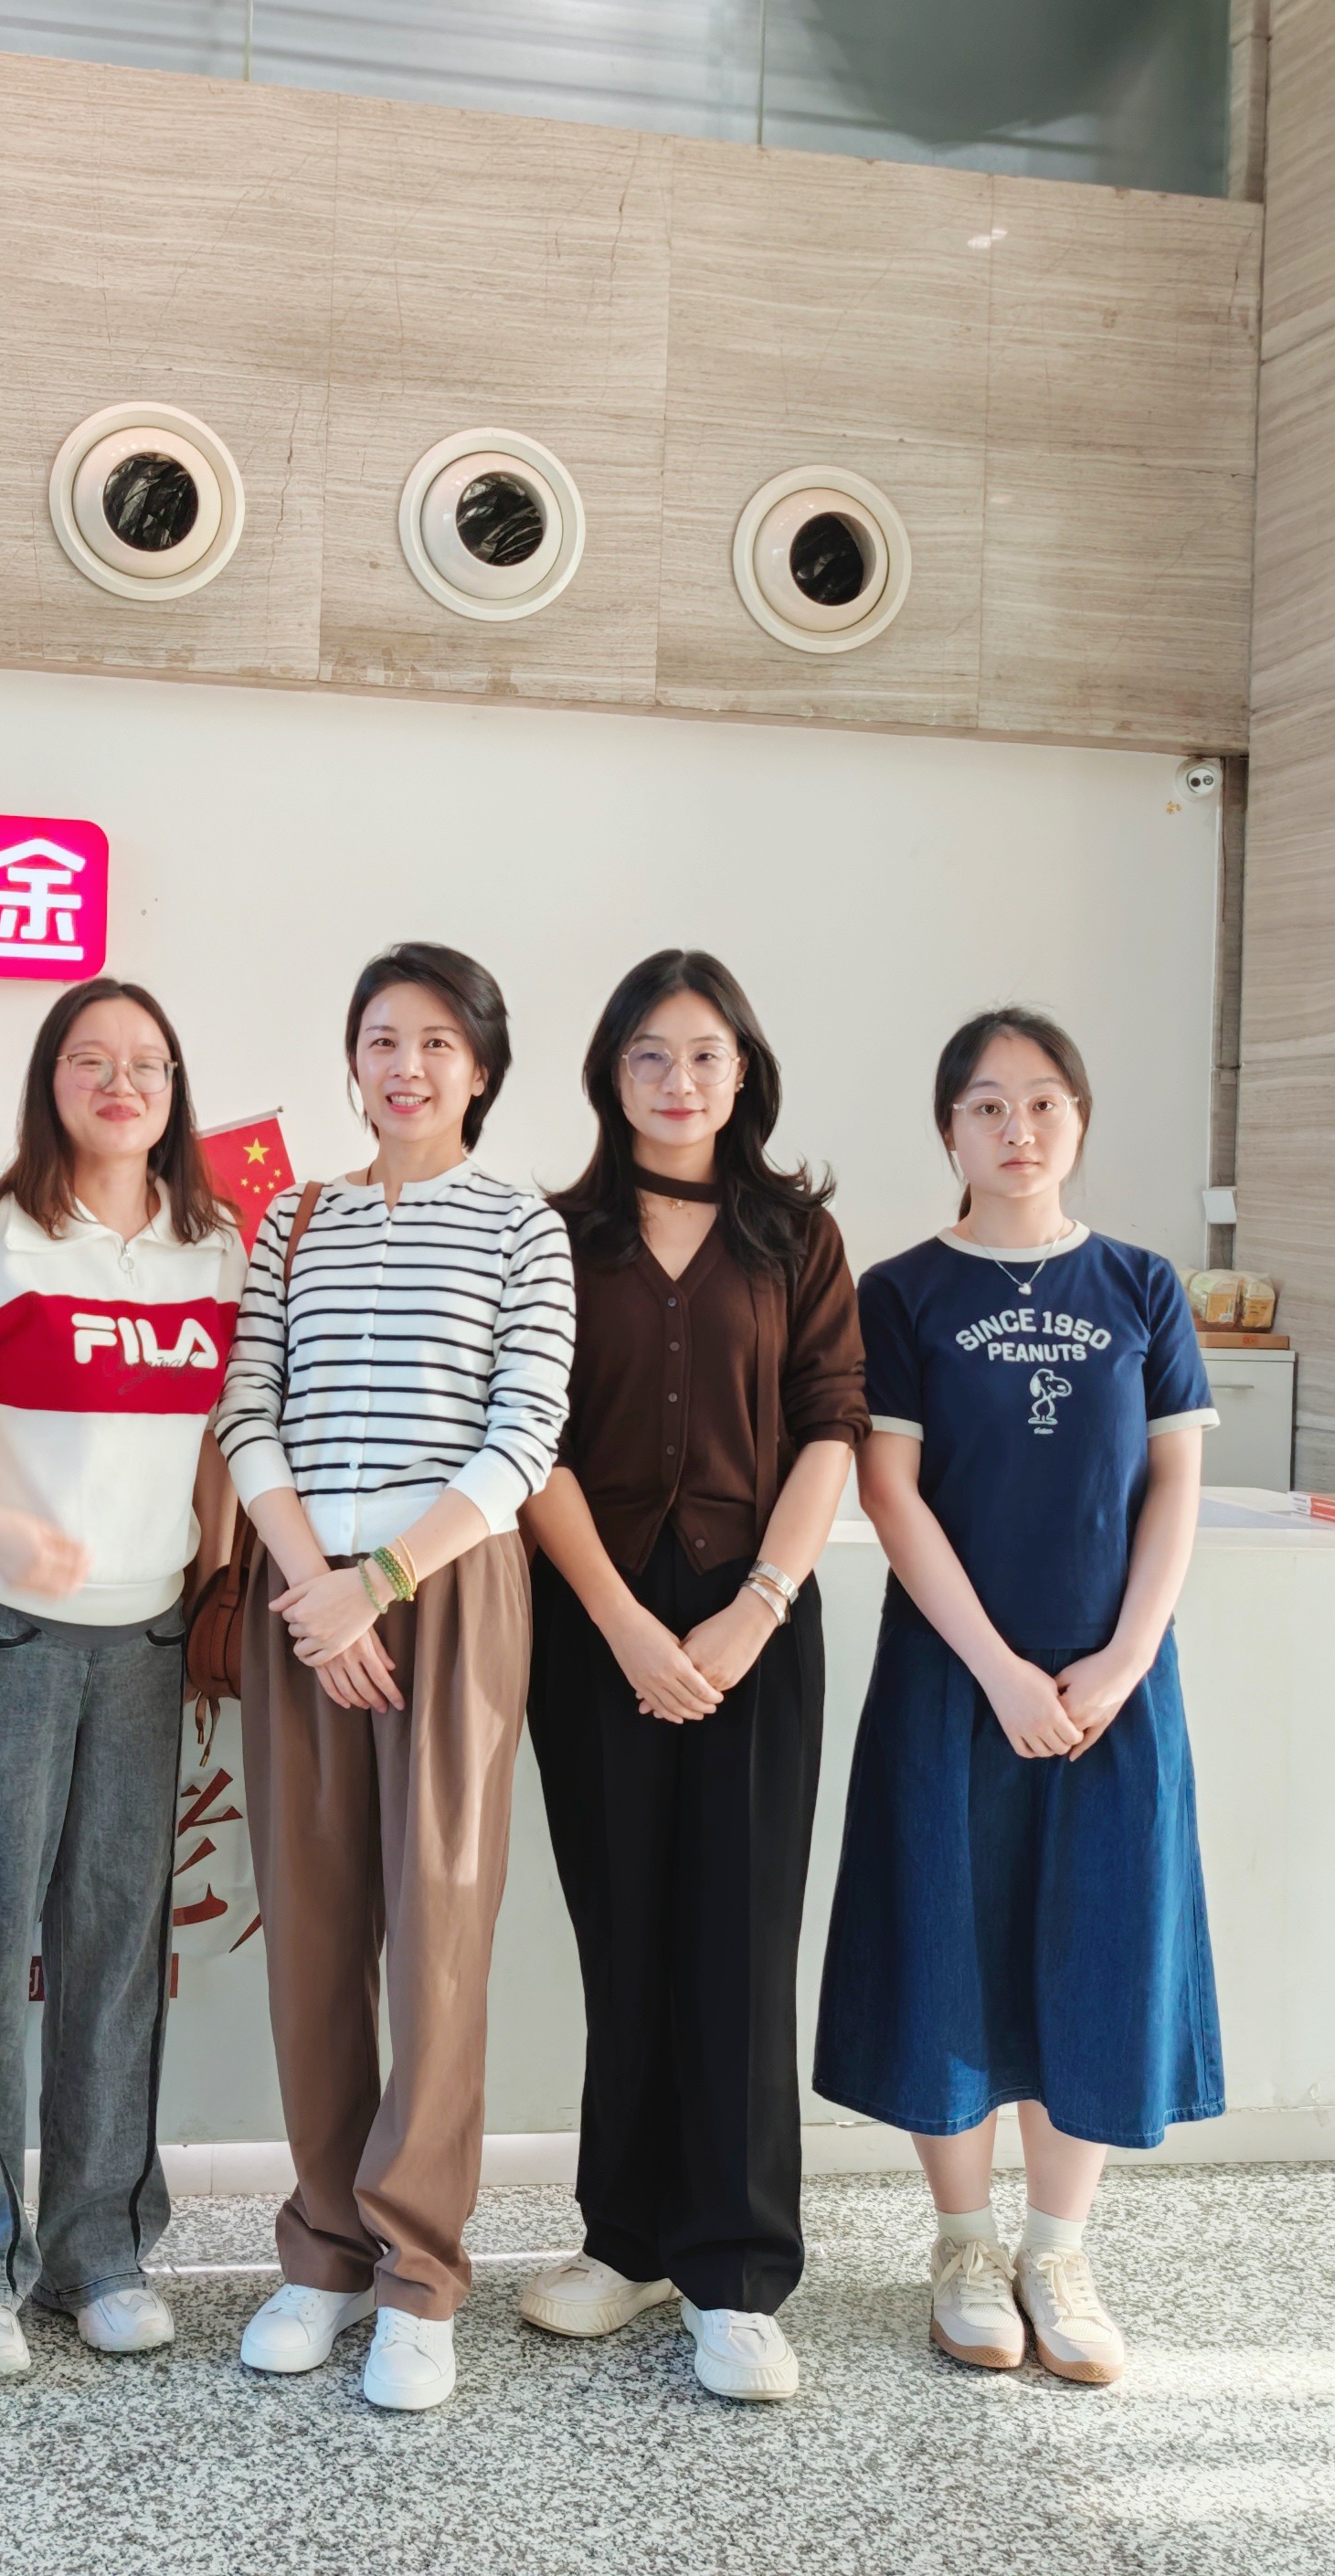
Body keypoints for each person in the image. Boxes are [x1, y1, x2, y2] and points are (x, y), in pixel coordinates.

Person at [812, 1006, 1221, 2390]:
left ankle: (1059, 2251)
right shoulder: (902, 1292)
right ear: (949, 1132)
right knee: (948, 1943)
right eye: (986, 1105)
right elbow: (891, 1494)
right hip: (951, 1677)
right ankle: (964, 2245)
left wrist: (1123, 1660)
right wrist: (996, 1668)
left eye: (1044, 1101)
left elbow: (1175, 1486)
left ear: (1080, 1121)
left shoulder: (1141, 1286)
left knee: (1098, 1946)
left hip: (1114, 1687)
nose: (1018, 1128)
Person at [212, 942, 576, 2413]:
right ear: (352, 1063)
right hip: (303, 1601)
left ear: (480, 1069)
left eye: (436, 1042)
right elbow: (248, 1406)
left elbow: (525, 1434)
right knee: (309, 1935)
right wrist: (317, 1587)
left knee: (435, 1938)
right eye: (380, 1039)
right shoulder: (294, 1219)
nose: (405, 1066)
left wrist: (385, 1583)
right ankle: (326, 2251)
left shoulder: (522, 1227)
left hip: (450, 1593)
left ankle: (420, 2274)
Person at [0, 979, 247, 2382]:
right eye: (91, 1059)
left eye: (147, 1062)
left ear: (175, 1091)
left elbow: (226, 1435)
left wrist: (214, 1570)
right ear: (53, 1083)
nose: (121, 1081)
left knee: (115, 1948)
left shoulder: (214, 1252)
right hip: (7, 1634)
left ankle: (102, 2250)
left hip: (146, 1640)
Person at [514, 951, 862, 2404]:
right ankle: (628, 2239)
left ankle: (737, 2274)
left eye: (706, 1054)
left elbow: (832, 1428)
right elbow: (528, 1438)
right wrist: (621, 1624)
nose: (678, 1080)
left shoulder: (797, 1237)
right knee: (626, 1936)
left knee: (740, 1944)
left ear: (743, 1072)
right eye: (650, 1054)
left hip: (755, 1622)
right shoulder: (551, 1236)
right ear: (611, 1073)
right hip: (594, 1624)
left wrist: (755, 1609)